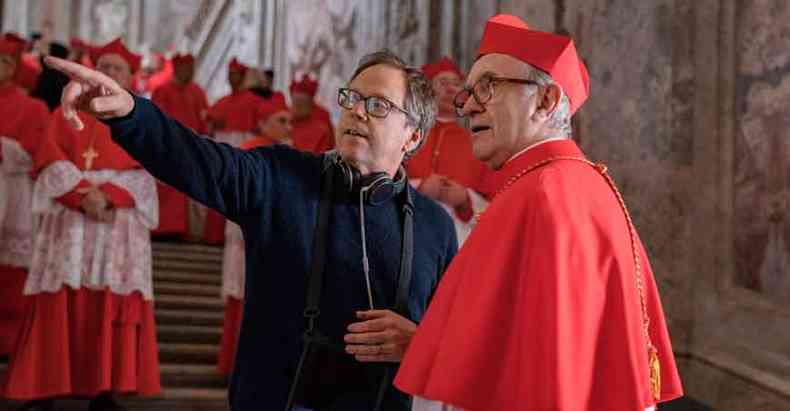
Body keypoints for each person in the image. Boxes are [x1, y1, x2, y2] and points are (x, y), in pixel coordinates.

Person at [45, 47, 456, 411]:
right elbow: (196, 159)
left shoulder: (436, 228)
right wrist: (131, 113)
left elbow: (460, 340)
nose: (357, 111)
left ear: (413, 135)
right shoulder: (280, 177)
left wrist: (421, 345)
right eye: (351, 98)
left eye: (379, 105)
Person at [395, 14, 683, 411]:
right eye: (468, 92)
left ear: (545, 101)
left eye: (489, 86)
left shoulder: (543, 194)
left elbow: (543, 372)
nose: (469, 107)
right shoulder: (567, 181)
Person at [3, 38, 160, 411]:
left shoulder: (141, 119)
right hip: (70, 222)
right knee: (58, 299)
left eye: (116, 68)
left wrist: (107, 195)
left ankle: (104, 389)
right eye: (103, 65)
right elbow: (49, 157)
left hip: (114, 224)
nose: (108, 73)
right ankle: (45, 386)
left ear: (130, 77)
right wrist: (82, 195)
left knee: (108, 305)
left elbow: (148, 172)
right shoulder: (64, 113)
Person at [217, 94, 293, 376]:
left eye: (290, 121)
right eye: (281, 120)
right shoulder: (250, 151)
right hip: (250, 243)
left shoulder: (286, 153)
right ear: (262, 122)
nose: (288, 126)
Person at [0, 33, 50, 359]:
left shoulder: (33, 107)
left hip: (14, 193)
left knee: (11, 276)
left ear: (16, 67)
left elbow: (37, 155)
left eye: (4, 61)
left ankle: (8, 343)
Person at [406, 57, 492, 244]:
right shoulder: (405, 136)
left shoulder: (479, 144)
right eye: (443, 82)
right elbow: (379, 188)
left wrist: (466, 200)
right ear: (427, 90)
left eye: (456, 84)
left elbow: (495, 216)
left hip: (458, 247)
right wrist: (417, 188)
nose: (451, 88)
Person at [203, 57, 267, 244]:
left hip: (245, 148)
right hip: (222, 147)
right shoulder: (222, 101)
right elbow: (209, 122)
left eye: (236, 74)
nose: (232, 78)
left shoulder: (255, 100)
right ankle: (214, 237)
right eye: (230, 75)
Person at [151, 53, 209, 238]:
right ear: (177, 69)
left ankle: (185, 230)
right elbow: (156, 119)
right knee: (168, 189)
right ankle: (164, 229)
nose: (189, 72)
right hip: (168, 146)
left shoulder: (198, 91)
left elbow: (204, 120)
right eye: (186, 69)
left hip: (192, 147)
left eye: (191, 69)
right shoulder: (162, 91)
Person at [289, 75, 334, 154]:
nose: (297, 107)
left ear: (310, 103)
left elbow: (330, 145)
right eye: (295, 102)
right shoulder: (285, 118)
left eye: (301, 103)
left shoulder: (322, 120)